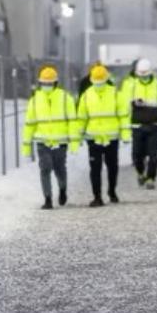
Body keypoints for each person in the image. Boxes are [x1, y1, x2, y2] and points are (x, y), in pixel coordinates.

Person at [21, 65, 81, 209]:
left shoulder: (65, 98)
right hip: (43, 142)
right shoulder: (34, 100)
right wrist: (26, 148)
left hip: (60, 142)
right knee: (45, 169)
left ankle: (62, 189)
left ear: (55, 83)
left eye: (49, 83)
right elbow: (29, 125)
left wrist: (74, 143)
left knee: (60, 169)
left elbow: (73, 122)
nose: (46, 86)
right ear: (40, 83)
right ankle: (47, 199)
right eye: (44, 83)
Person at [119, 58, 157, 189]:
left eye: (145, 75)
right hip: (137, 126)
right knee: (137, 155)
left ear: (150, 73)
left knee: (153, 155)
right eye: (141, 75)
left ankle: (151, 178)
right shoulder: (131, 87)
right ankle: (140, 172)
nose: (143, 77)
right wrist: (124, 126)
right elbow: (124, 108)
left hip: (154, 125)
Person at [77, 64, 125, 207]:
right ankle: (97, 197)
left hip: (111, 137)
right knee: (95, 168)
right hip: (93, 138)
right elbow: (82, 117)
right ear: (92, 80)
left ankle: (112, 191)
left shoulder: (115, 94)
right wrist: (78, 135)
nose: (98, 84)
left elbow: (123, 115)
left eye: (101, 81)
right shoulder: (86, 95)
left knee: (112, 167)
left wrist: (126, 133)